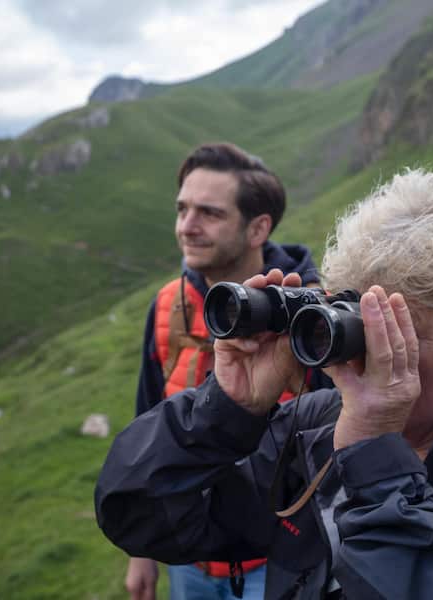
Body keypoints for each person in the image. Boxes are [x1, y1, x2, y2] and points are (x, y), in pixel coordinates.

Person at [98, 169, 433, 599]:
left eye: (396, 330)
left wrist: (376, 461)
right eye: (355, 323)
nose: (365, 353)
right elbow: (138, 515)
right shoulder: (312, 432)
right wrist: (226, 410)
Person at [124, 142, 324, 600]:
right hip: (188, 554)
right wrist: (142, 551)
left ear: (258, 229)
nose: (186, 227)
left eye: (209, 213)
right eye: (182, 209)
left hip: (278, 562)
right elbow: (148, 424)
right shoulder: (167, 307)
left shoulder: (309, 320)